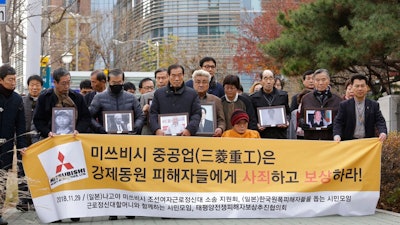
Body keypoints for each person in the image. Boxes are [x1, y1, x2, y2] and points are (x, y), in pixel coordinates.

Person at [0, 65, 27, 225]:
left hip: (7, 146)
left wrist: (22, 144)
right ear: (1, 80)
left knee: (2, 178)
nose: (13, 82)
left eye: (15, 79)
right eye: (10, 80)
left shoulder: (17, 99)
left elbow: (21, 125)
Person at [34, 67, 91, 140]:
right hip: (51, 139)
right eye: (63, 83)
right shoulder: (45, 98)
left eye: (68, 82)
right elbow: (38, 120)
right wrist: (47, 132)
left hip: (73, 139)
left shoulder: (77, 98)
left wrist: (78, 130)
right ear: (55, 83)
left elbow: (86, 118)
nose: (66, 86)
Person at [150, 64, 201, 136]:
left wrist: (189, 129)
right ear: (168, 76)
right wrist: (156, 129)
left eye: (179, 75)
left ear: (183, 75)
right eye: (173, 75)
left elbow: (197, 114)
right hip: (163, 137)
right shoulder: (159, 93)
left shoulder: (192, 94)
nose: (176, 79)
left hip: (186, 137)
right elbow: (153, 114)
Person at [89, 68, 144, 135]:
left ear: (123, 81)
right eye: (114, 82)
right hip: (106, 138)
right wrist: (100, 129)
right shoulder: (99, 98)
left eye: (119, 82)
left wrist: (136, 127)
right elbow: (89, 116)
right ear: (108, 81)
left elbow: (140, 116)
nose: (116, 85)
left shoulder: (132, 98)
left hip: (128, 138)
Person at [333, 74, 387, 142]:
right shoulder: (344, 105)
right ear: (352, 87)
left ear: (367, 87)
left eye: (362, 86)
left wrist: (383, 132)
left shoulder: (374, 105)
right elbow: (338, 122)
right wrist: (337, 135)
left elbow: (380, 121)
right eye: (357, 86)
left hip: (367, 142)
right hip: (349, 142)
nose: (360, 89)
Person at [299, 69, 342, 140]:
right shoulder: (306, 98)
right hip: (311, 139)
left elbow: (342, 120)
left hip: (330, 139)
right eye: (317, 80)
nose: (321, 83)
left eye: (323, 79)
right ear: (314, 81)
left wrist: (334, 125)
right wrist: (302, 123)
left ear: (329, 80)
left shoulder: (337, 99)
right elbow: (301, 117)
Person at [251, 70, 290, 139]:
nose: (268, 82)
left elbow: (288, 113)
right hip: (262, 135)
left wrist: (286, 121)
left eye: (271, 78)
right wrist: (256, 125)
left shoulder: (283, 95)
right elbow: (252, 117)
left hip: (279, 134)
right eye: (265, 78)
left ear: (274, 80)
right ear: (261, 81)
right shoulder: (253, 98)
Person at [192, 69, 225, 136]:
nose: (201, 85)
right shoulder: (188, 99)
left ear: (208, 84)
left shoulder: (216, 100)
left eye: (204, 82)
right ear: (193, 84)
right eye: (198, 82)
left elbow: (221, 120)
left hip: (210, 140)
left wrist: (220, 128)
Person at [139, 68, 168, 135]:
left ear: (169, 78)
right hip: (150, 132)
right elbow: (140, 119)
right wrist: (144, 112)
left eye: (163, 78)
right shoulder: (145, 97)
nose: (161, 81)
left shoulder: (175, 96)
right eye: (158, 78)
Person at [22, 75, 43, 146]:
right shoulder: (22, 102)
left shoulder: (45, 102)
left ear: (41, 87)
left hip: (41, 140)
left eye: (37, 85)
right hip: (24, 140)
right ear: (28, 87)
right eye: (32, 85)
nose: (35, 88)